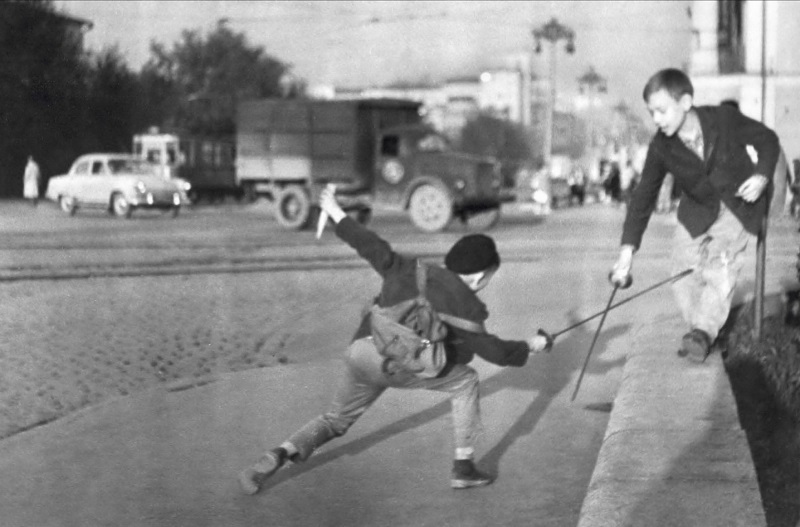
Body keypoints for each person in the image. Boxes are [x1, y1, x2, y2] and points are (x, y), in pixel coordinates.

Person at [239, 186, 553, 495]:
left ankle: (280, 453)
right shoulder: (466, 303)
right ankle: (464, 468)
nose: (486, 284)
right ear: (477, 277)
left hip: (361, 350)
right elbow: (496, 353)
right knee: (466, 381)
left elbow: (369, 244)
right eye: (488, 278)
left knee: (335, 419)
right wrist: (531, 346)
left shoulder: (409, 269)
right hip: (401, 365)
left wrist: (335, 212)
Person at [609, 68, 780, 362]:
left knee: (719, 267)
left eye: (662, 111)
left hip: (738, 207)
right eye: (652, 113)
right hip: (697, 211)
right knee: (681, 270)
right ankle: (700, 330)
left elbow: (767, 139)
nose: (657, 120)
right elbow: (643, 197)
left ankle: (703, 332)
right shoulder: (661, 146)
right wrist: (627, 251)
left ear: (686, 102)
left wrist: (762, 176)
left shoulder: (723, 120)